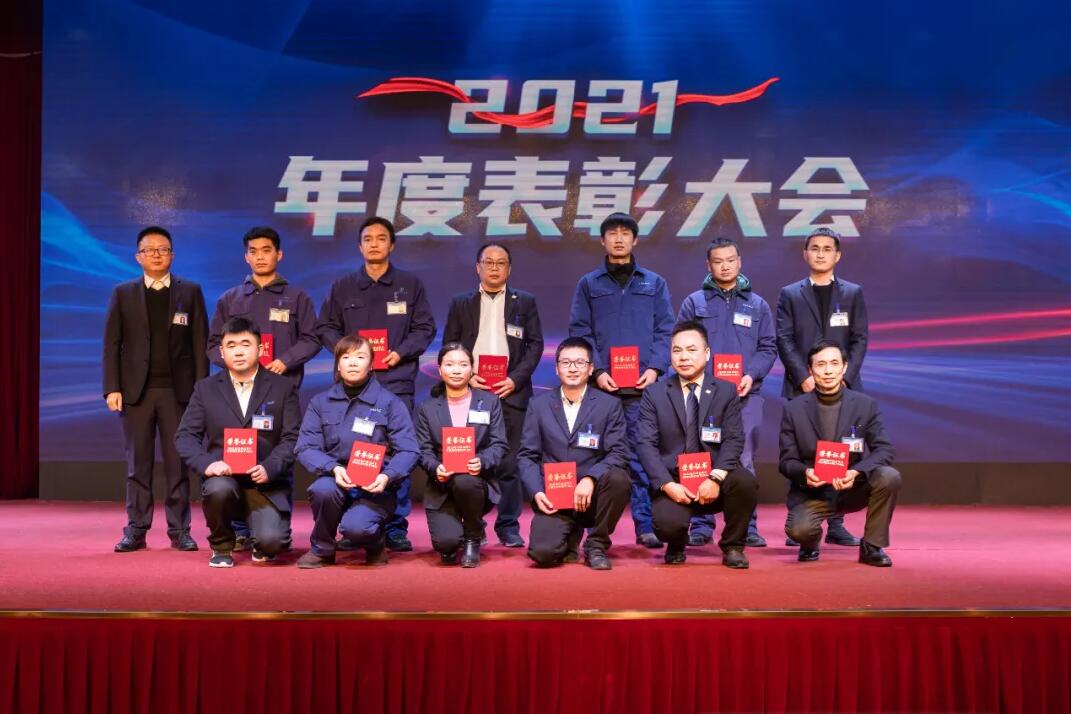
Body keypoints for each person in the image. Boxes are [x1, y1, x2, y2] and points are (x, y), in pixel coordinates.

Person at [315, 216, 436, 552]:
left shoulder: (410, 285)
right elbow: (325, 327)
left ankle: (395, 526)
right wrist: (347, 353)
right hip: (351, 388)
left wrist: (400, 352)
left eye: (381, 238)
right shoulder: (343, 287)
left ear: (391, 245)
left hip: (395, 382)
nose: (374, 244)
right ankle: (355, 521)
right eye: (367, 239)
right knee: (351, 449)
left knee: (397, 452)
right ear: (359, 246)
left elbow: (425, 328)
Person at [207, 226, 319, 552]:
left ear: (278, 254)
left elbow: (311, 338)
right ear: (246, 257)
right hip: (238, 394)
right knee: (238, 456)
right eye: (253, 251)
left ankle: (276, 522)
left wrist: (285, 361)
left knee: (279, 457)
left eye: (266, 250)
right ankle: (240, 528)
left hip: (281, 392)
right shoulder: (230, 298)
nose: (260, 256)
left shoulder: (297, 297)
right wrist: (233, 364)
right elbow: (213, 344)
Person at [568, 212, 674, 550]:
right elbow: (580, 331)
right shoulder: (589, 284)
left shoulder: (654, 282)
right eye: (611, 233)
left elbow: (665, 329)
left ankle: (646, 525)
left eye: (625, 233)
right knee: (594, 457)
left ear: (634, 240)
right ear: (602, 241)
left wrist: (655, 368)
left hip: (643, 388)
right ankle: (592, 529)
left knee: (643, 457)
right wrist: (597, 371)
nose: (618, 238)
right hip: (602, 389)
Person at [102, 226, 208, 553]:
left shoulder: (190, 291)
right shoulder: (123, 293)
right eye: (150, 250)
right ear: (138, 257)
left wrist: (201, 392)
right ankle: (136, 529)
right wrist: (112, 388)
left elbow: (200, 343)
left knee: (178, 464)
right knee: (138, 465)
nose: (157, 255)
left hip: (179, 393)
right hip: (137, 393)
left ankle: (180, 531)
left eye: (163, 249)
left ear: (172, 255)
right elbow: (112, 344)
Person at [175, 318, 301, 567]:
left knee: (272, 543)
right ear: (222, 352)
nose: (239, 351)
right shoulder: (205, 389)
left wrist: (270, 467)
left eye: (246, 344)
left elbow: (292, 437)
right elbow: (185, 437)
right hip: (224, 479)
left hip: (265, 483)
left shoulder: (283, 387)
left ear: (260, 349)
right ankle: (222, 546)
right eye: (231, 346)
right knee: (218, 488)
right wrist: (208, 464)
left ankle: (259, 533)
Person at [441, 242, 543, 548]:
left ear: (509, 269)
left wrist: (515, 379)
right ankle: (474, 523)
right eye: (489, 262)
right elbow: (450, 344)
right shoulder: (461, 302)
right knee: (472, 459)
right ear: (478, 267)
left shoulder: (525, 301)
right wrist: (468, 376)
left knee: (510, 463)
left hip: (511, 392)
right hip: (472, 391)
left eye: (501, 263)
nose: (494, 268)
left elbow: (535, 345)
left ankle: (508, 525)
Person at [677, 238, 776, 548]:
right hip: (701, 394)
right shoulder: (695, 302)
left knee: (743, 460)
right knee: (700, 457)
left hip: (745, 395)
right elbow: (681, 344)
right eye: (718, 261)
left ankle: (746, 526)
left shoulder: (757, 305)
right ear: (708, 265)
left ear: (739, 262)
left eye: (730, 260)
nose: (724, 266)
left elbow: (768, 347)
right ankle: (701, 524)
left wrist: (751, 374)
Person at [636, 320, 757, 568]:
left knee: (745, 482)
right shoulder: (654, 394)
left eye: (691, 350)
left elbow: (734, 439)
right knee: (667, 526)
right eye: (677, 350)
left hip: (715, 477)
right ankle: (676, 542)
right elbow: (645, 445)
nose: (684, 357)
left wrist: (715, 478)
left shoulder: (725, 391)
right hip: (674, 480)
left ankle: (733, 546)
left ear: (707, 353)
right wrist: (668, 485)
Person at [776, 226, 869, 547]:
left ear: (837, 255)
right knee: (801, 454)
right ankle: (801, 519)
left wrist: (845, 378)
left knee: (842, 453)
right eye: (814, 248)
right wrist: (804, 377)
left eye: (827, 248)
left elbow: (859, 339)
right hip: (801, 386)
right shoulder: (790, 293)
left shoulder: (852, 293)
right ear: (805, 254)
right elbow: (784, 339)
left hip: (843, 387)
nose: (820, 253)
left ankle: (836, 523)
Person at [295, 335, 420, 568]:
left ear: (371, 364)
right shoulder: (320, 402)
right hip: (336, 479)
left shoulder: (390, 403)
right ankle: (322, 549)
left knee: (356, 528)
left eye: (360, 357)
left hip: (375, 487)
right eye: (346, 357)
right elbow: (305, 447)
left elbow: (409, 450)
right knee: (322, 490)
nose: (352, 362)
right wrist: (333, 468)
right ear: (338, 365)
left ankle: (375, 542)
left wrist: (387, 476)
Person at [779, 340, 900, 566]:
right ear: (810, 370)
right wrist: (805, 473)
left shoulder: (865, 405)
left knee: (889, 476)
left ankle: (872, 546)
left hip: (851, 487)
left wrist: (856, 472)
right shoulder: (794, 409)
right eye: (821, 364)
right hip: (814, 491)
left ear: (844, 367)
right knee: (799, 530)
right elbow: (787, 461)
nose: (828, 371)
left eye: (834, 363)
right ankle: (810, 542)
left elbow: (884, 449)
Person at [518, 337, 631, 570]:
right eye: (566, 362)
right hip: (555, 496)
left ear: (590, 368)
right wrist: (536, 491)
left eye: (580, 362)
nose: (572, 368)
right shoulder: (538, 405)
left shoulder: (609, 405)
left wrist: (591, 478)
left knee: (619, 479)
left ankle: (596, 544)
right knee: (542, 554)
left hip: (592, 496)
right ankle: (570, 533)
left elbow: (619, 452)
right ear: (556, 368)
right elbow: (527, 455)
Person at [414, 343, 509, 567]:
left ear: (472, 369)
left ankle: (473, 537)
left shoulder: (489, 402)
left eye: (463, 364)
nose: (456, 370)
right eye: (450, 364)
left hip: (476, 483)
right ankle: (462, 529)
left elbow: (499, 444)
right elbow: (423, 450)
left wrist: (482, 461)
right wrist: (435, 467)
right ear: (440, 370)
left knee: (465, 481)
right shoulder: (427, 408)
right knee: (446, 546)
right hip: (442, 486)